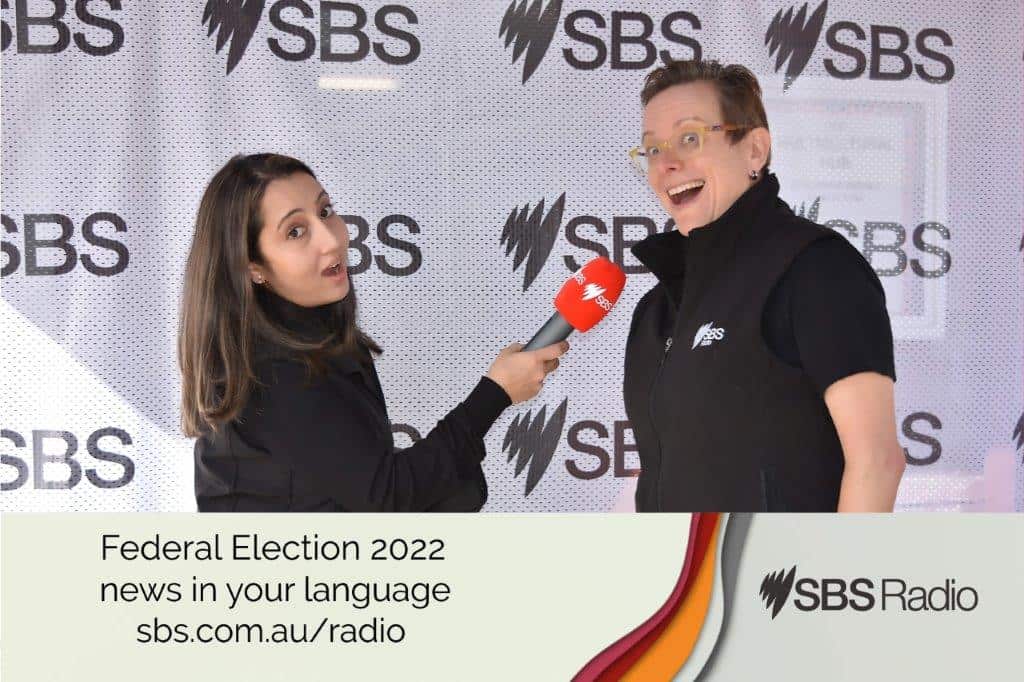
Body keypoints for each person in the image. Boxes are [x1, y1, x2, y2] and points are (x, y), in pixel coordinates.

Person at [179, 153, 567, 512]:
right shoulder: (277, 368)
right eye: (296, 232)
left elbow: (366, 485)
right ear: (252, 267)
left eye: (325, 211)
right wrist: (495, 394)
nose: (332, 239)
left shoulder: (311, 341)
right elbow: (387, 499)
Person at [623, 60, 906, 512]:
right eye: (652, 150)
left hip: (789, 579)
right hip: (687, 579)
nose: (667, 163)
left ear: (754, 150)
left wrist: (838, 578)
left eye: (689, 138)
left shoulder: (816, 269)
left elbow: (877, 461)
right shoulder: (656, 310)